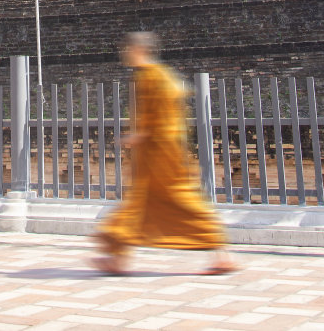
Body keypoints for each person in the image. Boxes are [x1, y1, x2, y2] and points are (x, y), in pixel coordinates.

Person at [92, 32, 236, 275]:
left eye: (128, 49)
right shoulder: (144, 77)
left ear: (140, 50)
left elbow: (168, 118)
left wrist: (143, 135)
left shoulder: (158, 77)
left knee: (183, 202)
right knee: (137, 206)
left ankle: (222, 255)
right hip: (149, 156)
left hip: (162, 155)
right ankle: (116, 258)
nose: (124, 53)